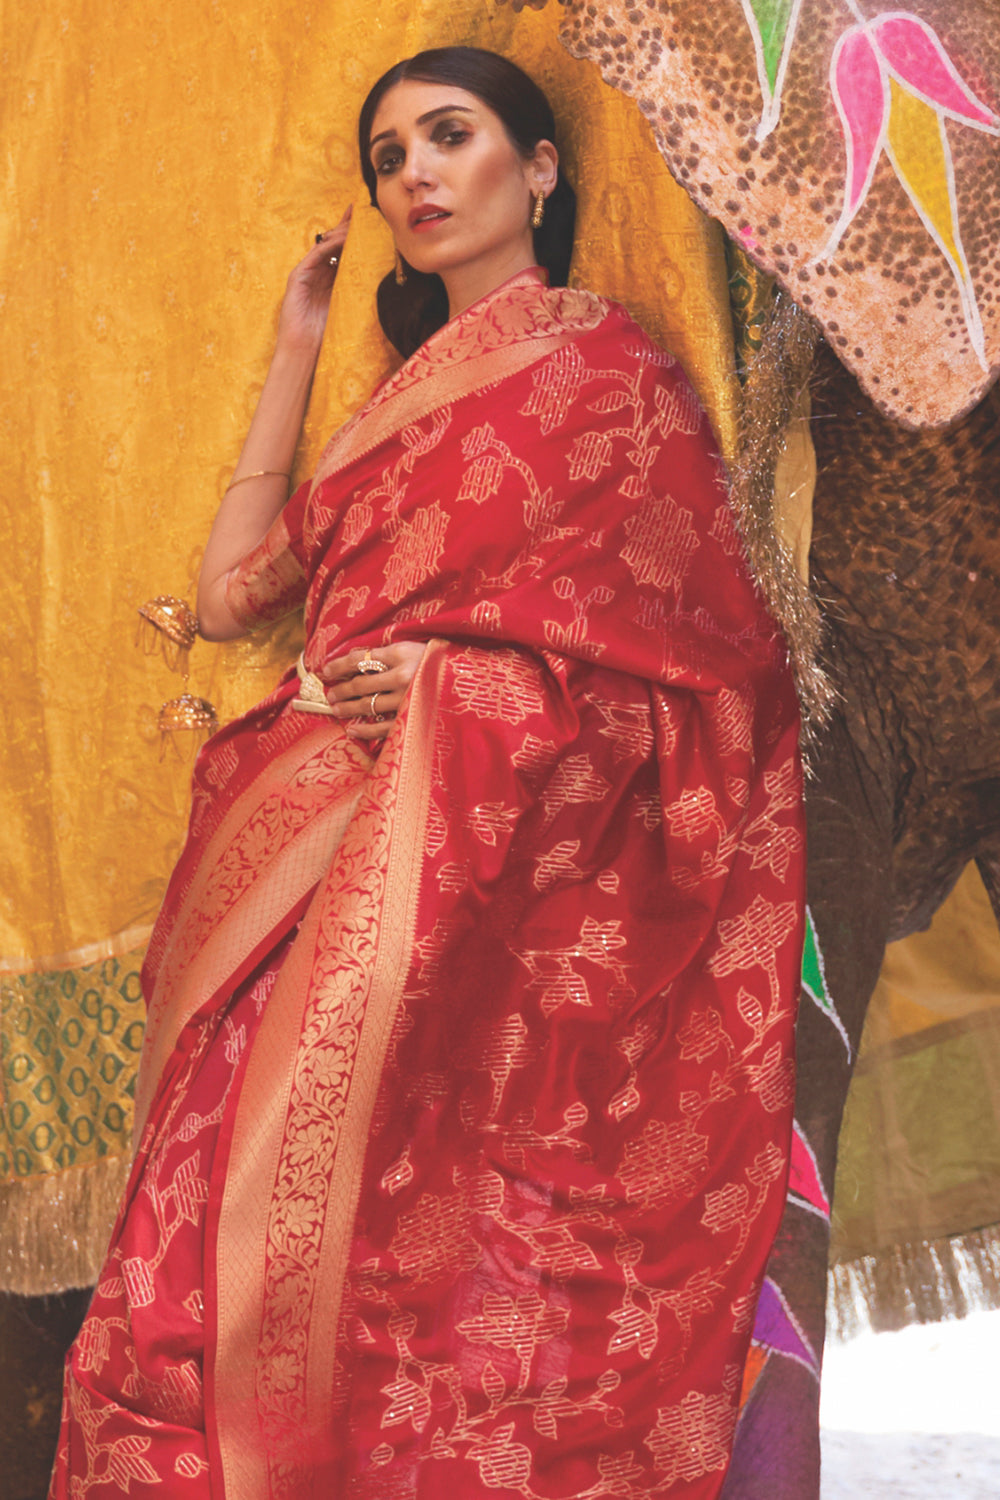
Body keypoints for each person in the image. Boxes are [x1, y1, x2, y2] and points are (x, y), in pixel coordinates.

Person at [51, 47, 805, 1500]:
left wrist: (469, 689)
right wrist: (297, 343)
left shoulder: (607, 370)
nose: (414, 176)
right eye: (390, 156)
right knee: (196, 1227)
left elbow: (708, 665)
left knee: (391, 1244)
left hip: (472, 852)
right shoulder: (389, 407)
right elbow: (230, 595)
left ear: (540, 170)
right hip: (303, 849)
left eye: (449, 136)